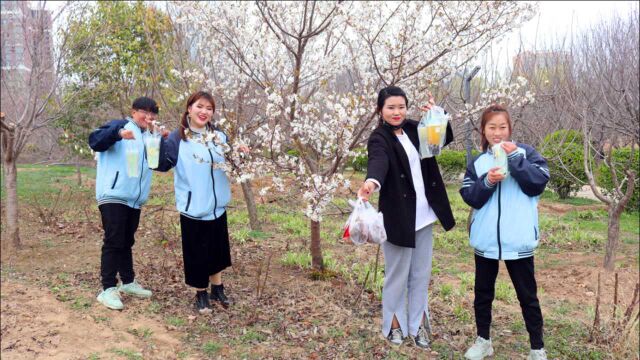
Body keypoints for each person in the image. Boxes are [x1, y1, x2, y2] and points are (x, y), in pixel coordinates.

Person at [357, 86, 455, 349]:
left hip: (424, 214)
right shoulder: (379, 138)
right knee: (397, 274)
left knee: (421, 274)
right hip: (399, 216)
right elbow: (379, 163)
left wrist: (437, 115)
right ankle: (394, 324)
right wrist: (371, 183)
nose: (397, 112)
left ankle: (419, 324)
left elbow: (439, 141)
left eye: (401, 107)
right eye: (391, 107)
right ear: (381, 110)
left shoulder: (415, 128)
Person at [460, 104, 549, 360]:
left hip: (518, 240)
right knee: (483, 294)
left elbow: (537, 184)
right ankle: (483, 340)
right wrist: (487, 181)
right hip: (486, 240)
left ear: (509, 129)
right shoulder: (478, 162)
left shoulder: (527, 154)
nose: (497, 132)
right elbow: (471, 198)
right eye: (492, 127)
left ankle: (537, 348)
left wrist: (515, 160)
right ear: (483, 130)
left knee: (527, 297)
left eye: (502, 127)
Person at [156, 91, 247, 314]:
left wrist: (241, 154)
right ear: (189, 108)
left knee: (218, 251)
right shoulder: (177, 138)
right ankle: (200, 294)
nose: (204, 112)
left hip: (217, 205)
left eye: (209, 108)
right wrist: (156, 141)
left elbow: (232, 165)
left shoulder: (219, 136)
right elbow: (162, 165)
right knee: (197, 254)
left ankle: (218, 288)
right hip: (193, 207)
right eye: (200, 106)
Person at [88, 97, 160, 310]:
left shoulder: (149, 137)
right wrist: (118, 135)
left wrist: (161, 138)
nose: (148, 117)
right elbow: (94, 140)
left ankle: (128, 283)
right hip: (113, 194)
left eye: (152, 113)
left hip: (134, 199)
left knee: (127, 241)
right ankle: (107, 288)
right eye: (144, 112)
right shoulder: (120, 125)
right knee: (114, 241)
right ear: (133, 111)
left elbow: (158, 163)